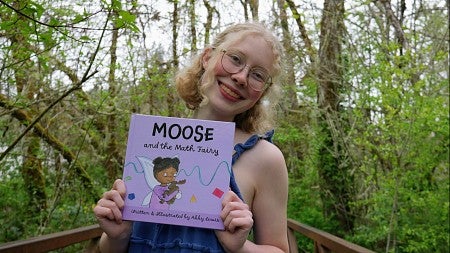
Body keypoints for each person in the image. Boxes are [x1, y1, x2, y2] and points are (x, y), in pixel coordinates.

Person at [94, 22, 289, 253]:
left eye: (257, 75)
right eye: (235, 59)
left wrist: (241, 247)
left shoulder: (265, 158)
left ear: (262, 92)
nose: (241, 77)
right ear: (207, 57)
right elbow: (111, 248)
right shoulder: (153, 140)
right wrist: (117, 236)